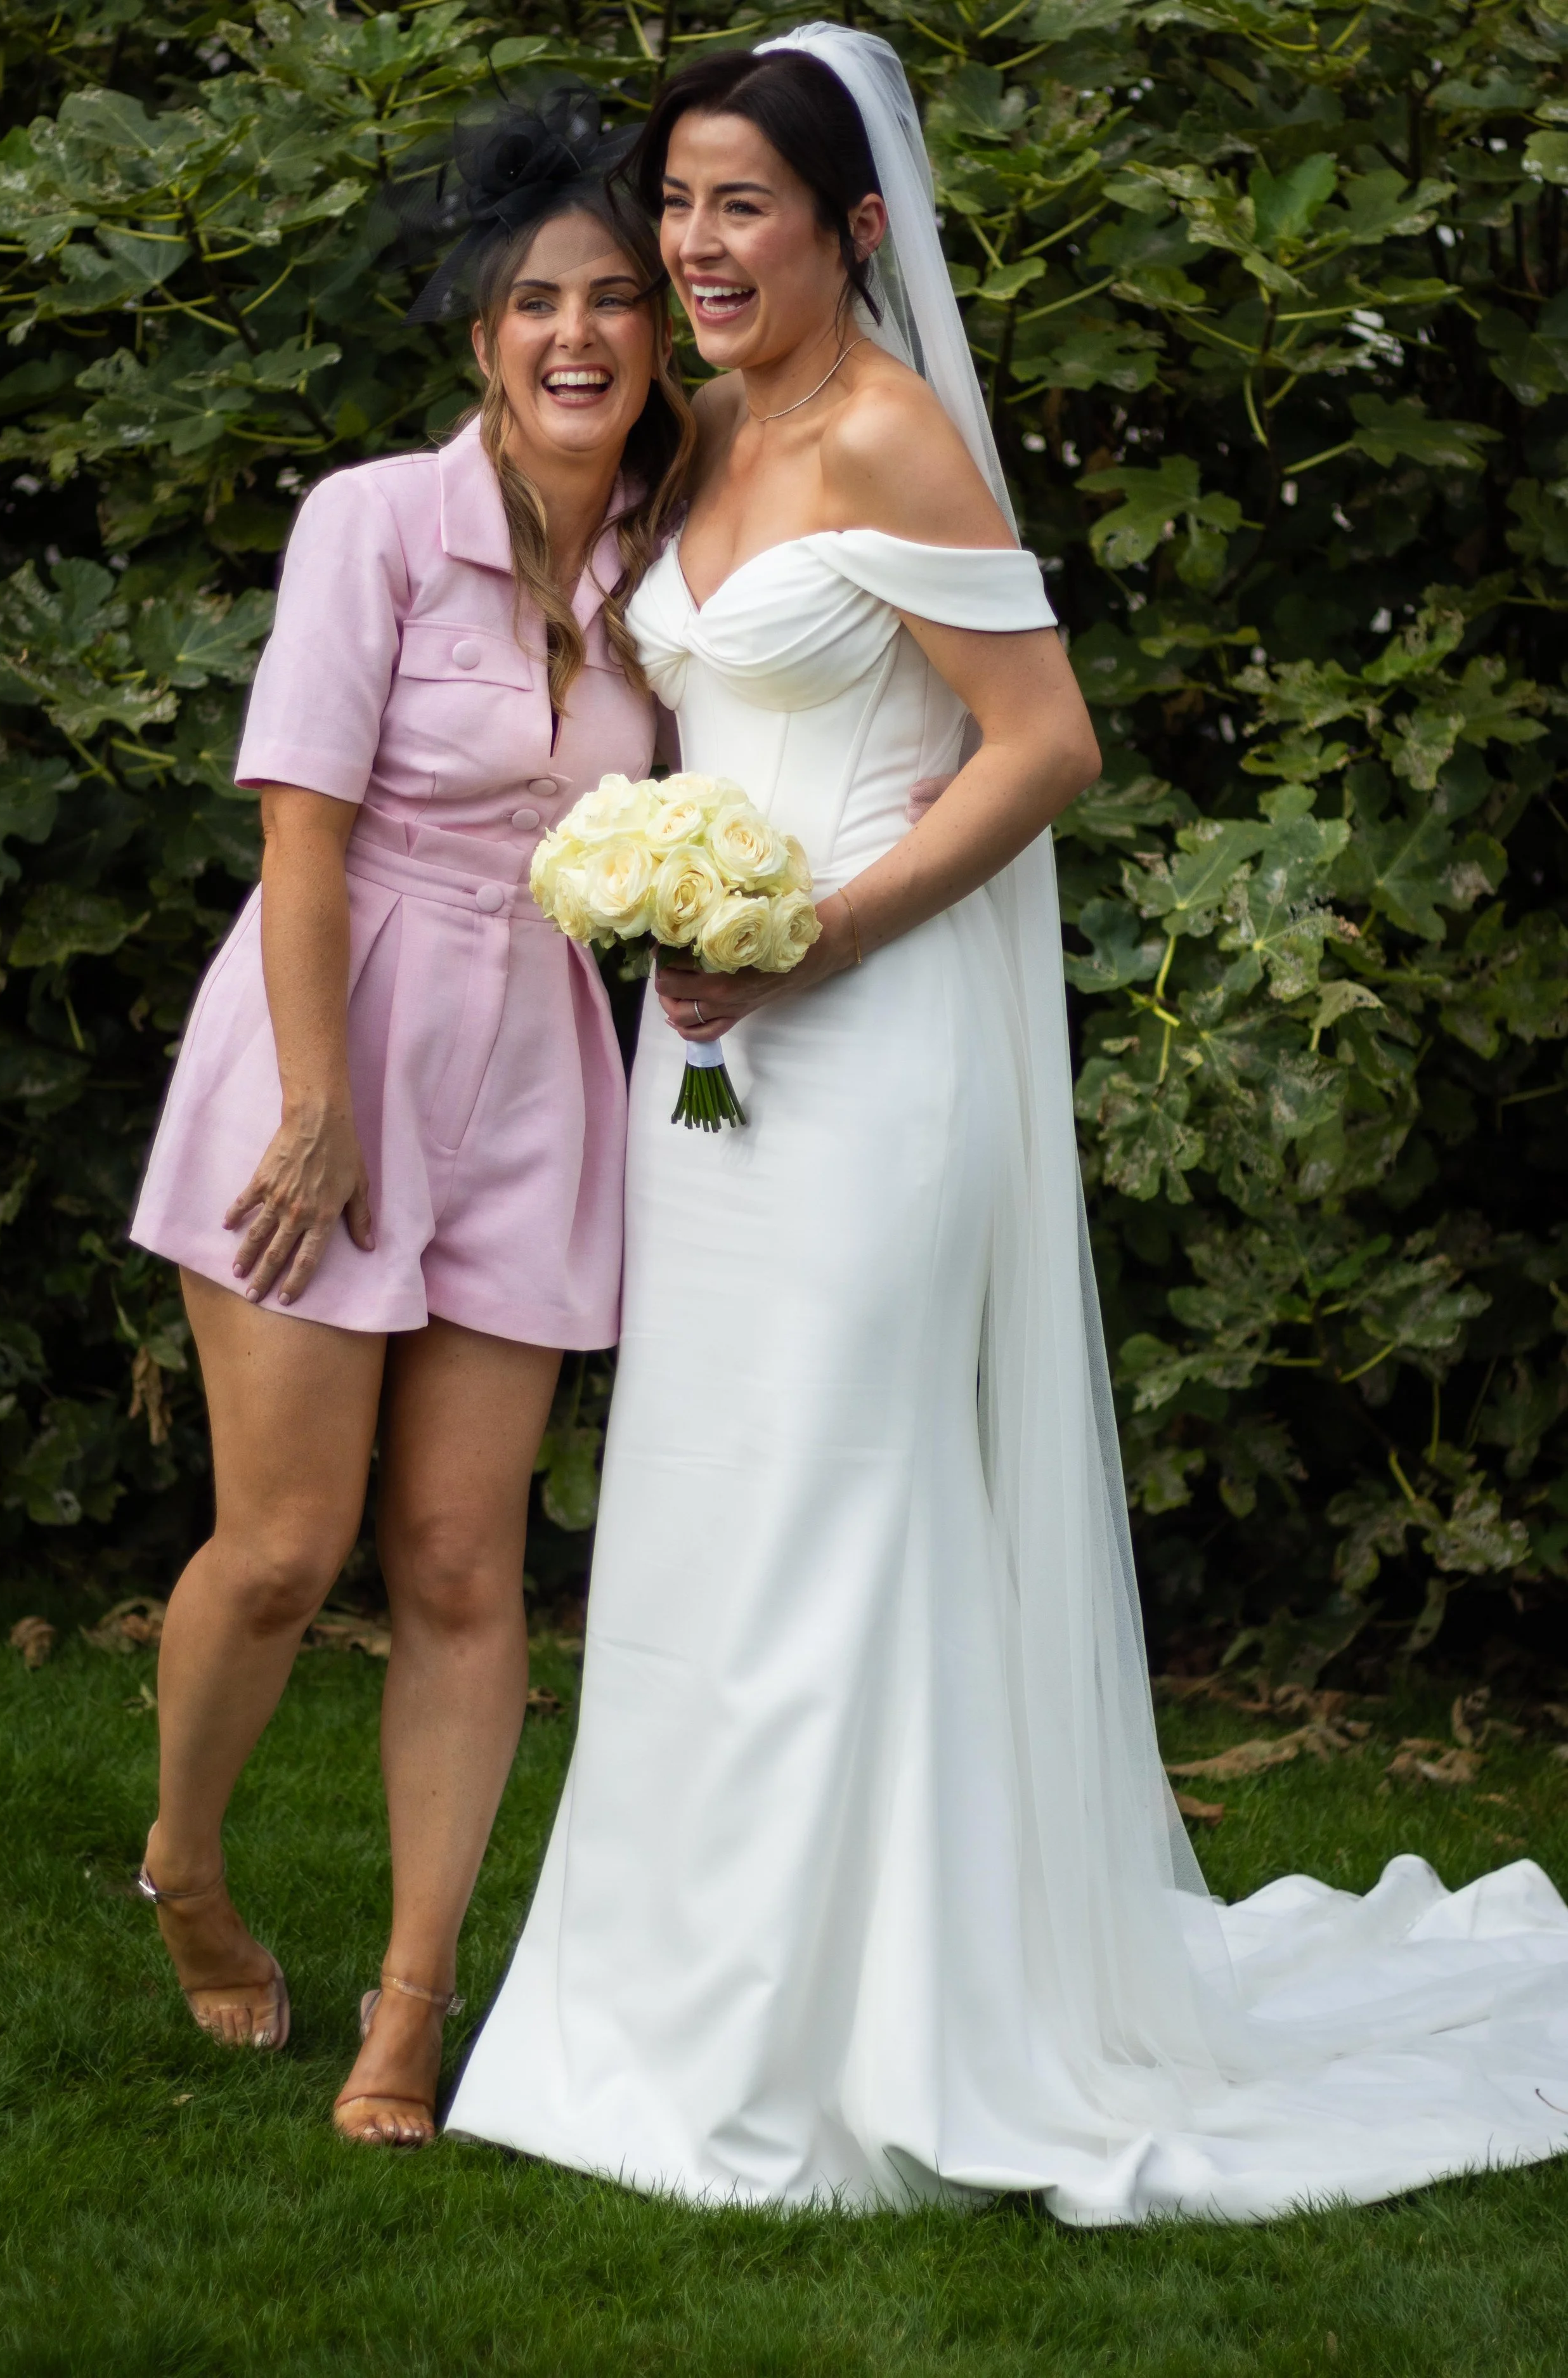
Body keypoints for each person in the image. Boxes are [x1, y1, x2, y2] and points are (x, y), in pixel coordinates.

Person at [447, 30, 1568, 2220]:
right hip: (716, 1045)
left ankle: (876, 2034)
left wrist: (819, 934)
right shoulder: (700, 439)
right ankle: (678, 2009)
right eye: (675, 203)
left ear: (854, 226)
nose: (691, 247)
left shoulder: (887, 434)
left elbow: (1040, 746)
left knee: (843, 1507)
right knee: (703, 1509)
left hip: (865, 1041)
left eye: (738, 206)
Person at [127, 88, 692, 2149]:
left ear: (654, 336)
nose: (577, 335)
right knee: (282, 1549)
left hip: (539, 1064)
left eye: (616, 300)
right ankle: (187, 1865)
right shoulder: (371, 518)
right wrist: (318, 1106)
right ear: (478, 338)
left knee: (465, 1563)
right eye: (536, 300)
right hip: (332, 1018)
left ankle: (408, 2001)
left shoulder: (670, 559)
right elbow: (303, 832)